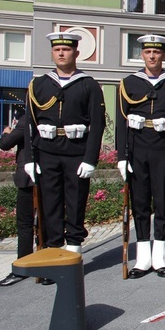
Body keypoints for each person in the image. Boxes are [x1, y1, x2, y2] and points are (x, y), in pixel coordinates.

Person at [23, 33, 105, 268]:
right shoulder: (39, 84)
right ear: (52, 52)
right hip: (46, 152)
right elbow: (30, 123)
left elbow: (97, 125)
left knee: (77, 203)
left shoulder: (88, 84)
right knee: (51, 205)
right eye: (57, 49)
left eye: (66, 49)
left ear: (76, 53)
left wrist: (90, 159)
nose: (61, 53)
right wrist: (30, 158)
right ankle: (54, 256)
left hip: (76, 152)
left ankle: (74, 256)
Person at [116, 35, 165, 279]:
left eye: (157, 52)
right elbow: (121, 123)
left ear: (164, 55)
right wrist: (121, 156)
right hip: (137, 148)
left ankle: (160, 257)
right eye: (148, 52)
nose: (152, 56)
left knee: (161, 203)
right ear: (141, 55)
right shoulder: (128, 83)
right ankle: (142, 258)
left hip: (163, 149)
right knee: (139, 204)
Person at [0, 114, 34, 287]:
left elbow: (5, 144)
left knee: (24, 224)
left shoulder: (26, 120)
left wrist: (7, 133)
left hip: (27, 179)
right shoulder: (49, 117)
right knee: (46, 222)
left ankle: (23, 265)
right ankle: (46, 262)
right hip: (49, 176)